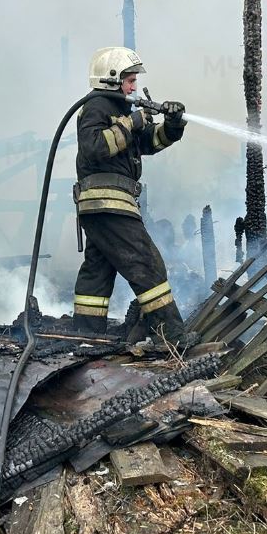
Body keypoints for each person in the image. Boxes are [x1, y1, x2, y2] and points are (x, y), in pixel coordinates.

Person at [71, 46, 192, 345]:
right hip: (107, 200)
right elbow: (95, 147)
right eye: (129, 79)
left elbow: (148, 143)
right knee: (145, 263)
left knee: (98, 270)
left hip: (104, 204)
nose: (134, 86)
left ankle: (86, 335)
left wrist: (173, 125)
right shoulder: (97, 106)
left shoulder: (121, 111)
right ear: (112, 79)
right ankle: (172, 337)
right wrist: (133, 122)